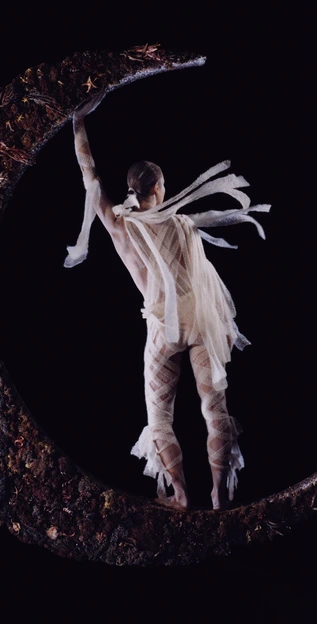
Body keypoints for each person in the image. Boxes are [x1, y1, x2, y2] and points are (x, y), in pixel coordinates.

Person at [65, 94, 270, 510]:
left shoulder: (121, 225)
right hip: (202, 324)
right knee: (214, 409)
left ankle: (180, 494)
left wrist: (78, 123)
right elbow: (204, 280)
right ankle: (218, 494)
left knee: (159, 417)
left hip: (162, 329)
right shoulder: (182, 224)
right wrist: (221, 325)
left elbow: (91, 178)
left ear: (134, 189)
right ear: (159, 188)